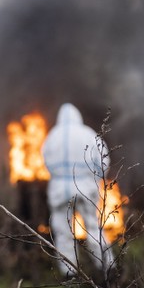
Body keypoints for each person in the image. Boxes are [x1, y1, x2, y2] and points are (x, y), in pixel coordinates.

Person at [41, 103, 113, 278]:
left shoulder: (52, 136)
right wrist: (94, 180)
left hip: (59, 191)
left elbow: (45, 161)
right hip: (86, 188)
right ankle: (107, 268)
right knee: (93, 228)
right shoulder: (88, 134)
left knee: (63, 231)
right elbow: (104, 161)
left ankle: (69, 273)